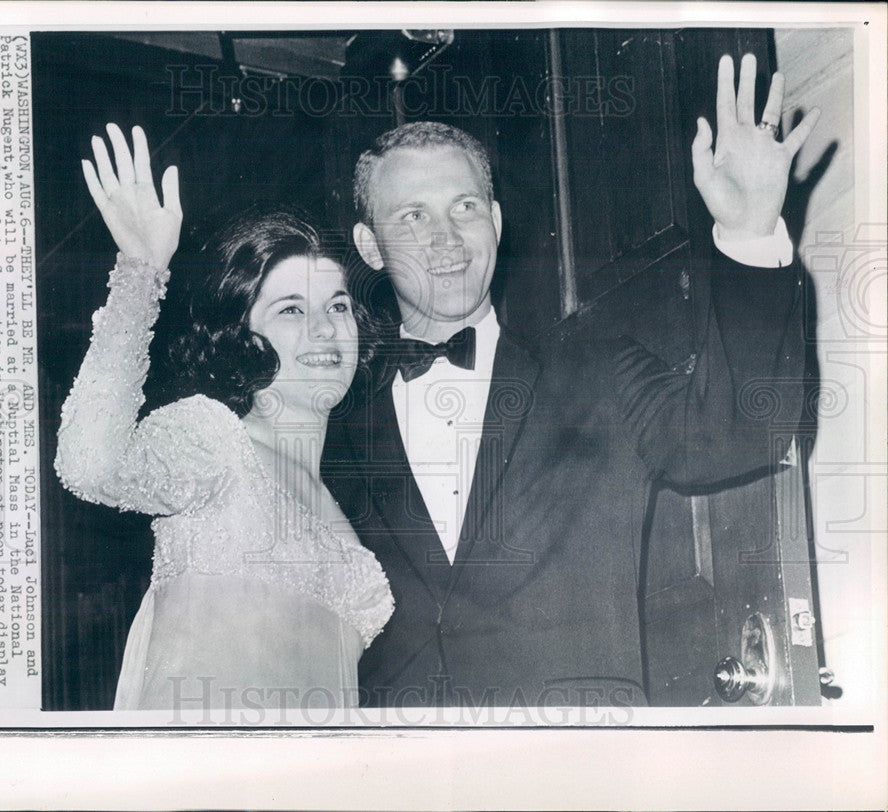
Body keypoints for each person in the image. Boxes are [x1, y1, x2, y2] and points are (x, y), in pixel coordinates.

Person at [321, 54, 820, 707]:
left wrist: (750, 232)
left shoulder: (597, 370)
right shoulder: (333, 431)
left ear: (496, 223)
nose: (446, 237)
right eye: (411, 216)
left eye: (465, 205)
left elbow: (743, 431)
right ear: (368, 245)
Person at [55, 123, 393, 711]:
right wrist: (140, 272)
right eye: (291, 309)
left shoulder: (343, 517)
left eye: (337, 305)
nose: (324, 328)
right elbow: (87, 465)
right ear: (244, 336)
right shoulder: (214, 439)